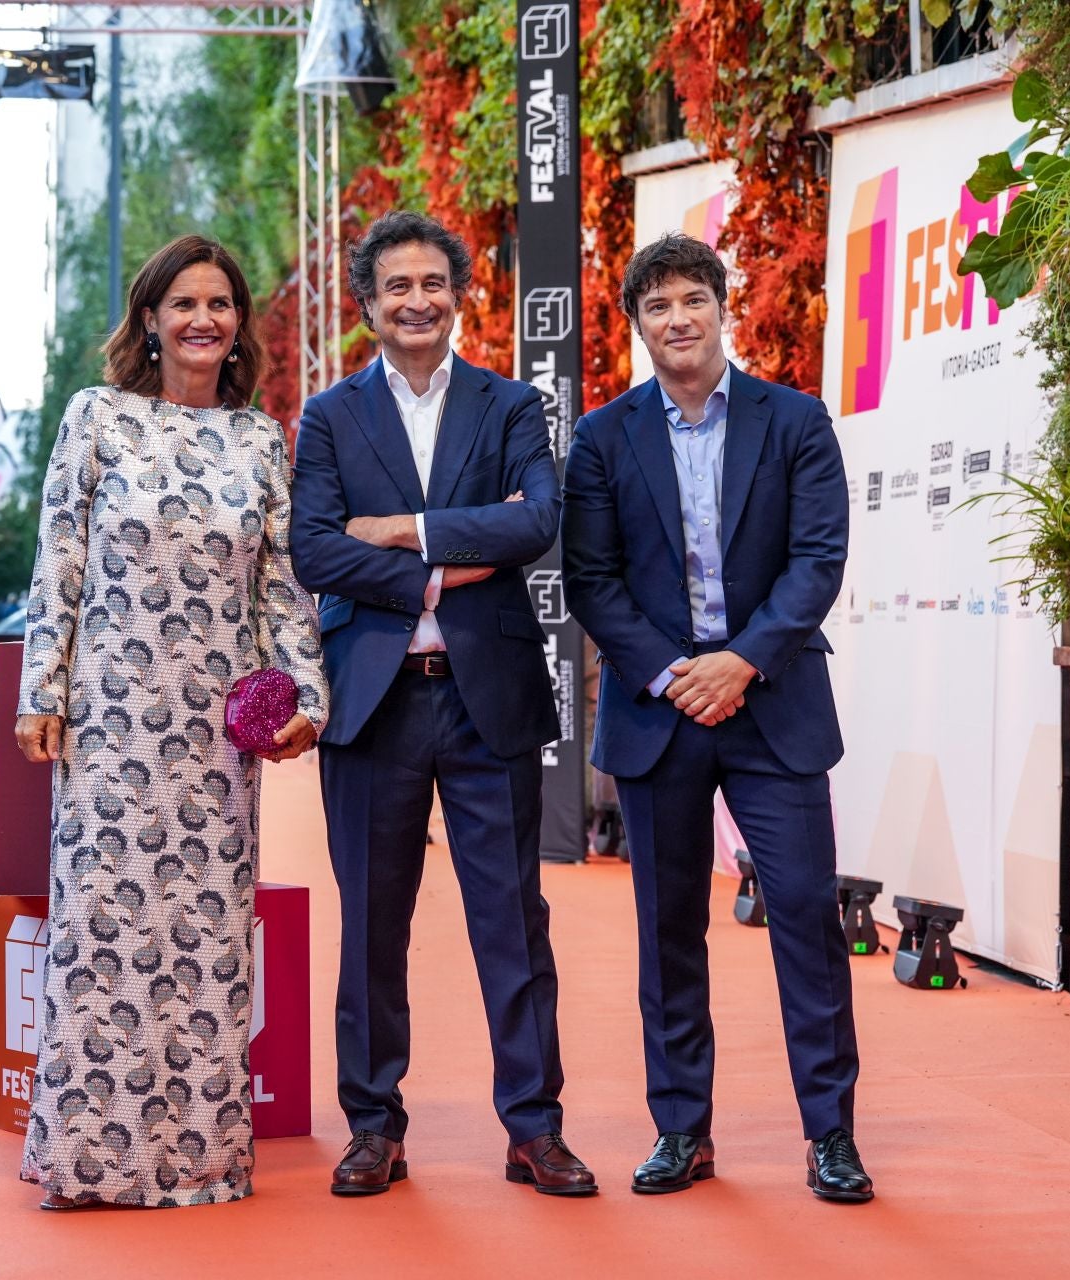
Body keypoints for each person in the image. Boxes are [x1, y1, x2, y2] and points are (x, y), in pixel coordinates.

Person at [12, 234, 328, 1210]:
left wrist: (307, 694)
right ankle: (83, 1159)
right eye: (183, 302)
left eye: (220, 304)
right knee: (99, 934)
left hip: (215, 735)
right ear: (149, 316)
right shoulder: (97, 417)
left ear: (239, 326)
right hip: (112, 724)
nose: (203, 319)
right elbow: (59, 553)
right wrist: (42, 689)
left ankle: (198, 1158)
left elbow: (281, 581)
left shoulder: (259, 439)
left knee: (204, 942)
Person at [560, 233, 868, 1203]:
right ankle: (681, 1127)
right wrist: (670, 673)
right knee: (668, 930)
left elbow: (817, 557)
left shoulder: (796, 421)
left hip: (771, 700)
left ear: (720, 307)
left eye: (693, 299)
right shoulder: (605, 439)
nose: (678, 319)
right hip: (662, 713)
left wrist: (741, 660)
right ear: (637, 325)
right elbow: (594, 580)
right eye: (657, 306)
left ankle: (831, 1134)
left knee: (808, 921)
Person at [288, 211, 589, 1198]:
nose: (416, 300)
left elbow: (537, 522)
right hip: (372, 702)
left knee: (512, 917)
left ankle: (534, 1126)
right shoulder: (331, 416)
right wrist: (441, 567)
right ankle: (373, 1123)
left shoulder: (508, 406)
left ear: (459, 294)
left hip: (484, 698)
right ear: (368, 303)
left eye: (433, 282)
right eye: (396, 286)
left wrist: (403, 529)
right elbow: (316, 547)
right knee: (372, 924)